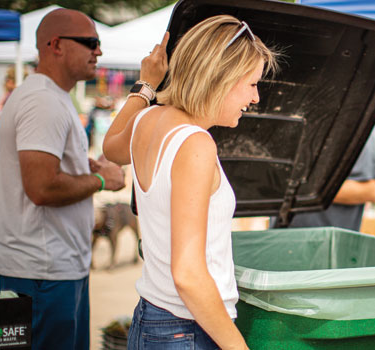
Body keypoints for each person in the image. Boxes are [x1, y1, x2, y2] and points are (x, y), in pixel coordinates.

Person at [102, 15, 277, 350]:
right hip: (187, 330)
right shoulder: (195, 144)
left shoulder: (148, 118)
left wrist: (146, 86)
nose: (256, 98)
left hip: (152, 317)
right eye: (252, 84)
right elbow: (188, 275)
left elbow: (111, 147)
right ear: (221, 78)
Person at [0, 9, 126, 350]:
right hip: (44, 270)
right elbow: (41, 187)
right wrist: (103, 182)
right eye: (90, 43)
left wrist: (86, 167)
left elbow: (47, 167)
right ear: (55, 45)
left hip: (51, 266)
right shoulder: (43, 101)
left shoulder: (52, 97)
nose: (98, 52)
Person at [283, 128, 375, 231]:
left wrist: (304, 188)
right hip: (280, 238)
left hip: (327, 242)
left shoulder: (357, 119)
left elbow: (373, 190)